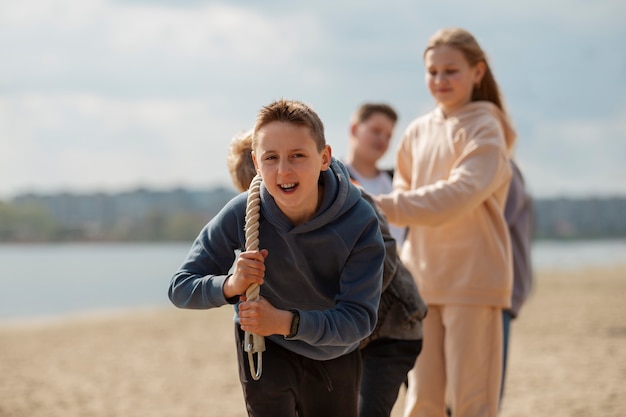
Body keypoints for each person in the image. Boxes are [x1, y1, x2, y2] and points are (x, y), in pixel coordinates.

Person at [169, 98, 385, 417]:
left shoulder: (359, 220)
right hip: (265, 346)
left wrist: (285, 321)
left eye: (298, 155)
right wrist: (231, 284)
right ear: (257, 163)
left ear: (324, 157)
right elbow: (180, 288)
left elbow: (359, 319)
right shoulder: (242, 212)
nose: (283, 170)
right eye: (271, 158)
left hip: (332, 353)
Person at [227, 127, 428, 417]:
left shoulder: (345, 199)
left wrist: (330, 303)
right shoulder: (269, 222)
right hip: (340, 339)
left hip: (393, 326)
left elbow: (385, 255)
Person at [372, 27, 517, 417]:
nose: (439, 80)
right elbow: (405, 210)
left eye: (450, 70)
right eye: (432, 72)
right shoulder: (417, 131)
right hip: (420, 284)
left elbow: (456, 196)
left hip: (475, 283)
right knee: (422, 403)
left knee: (473, 403)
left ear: (477, 72)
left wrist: (378, 204)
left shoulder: (488, 128)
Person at [343, 103, 406, 245]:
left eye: (388, 136)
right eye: (376, 131)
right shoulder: (335, 180)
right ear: (354, 129)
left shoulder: (397, 179)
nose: (382, 140)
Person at [500, 159, 533, 404]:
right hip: (501, 289)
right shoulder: (506, 166)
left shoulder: (502, 168)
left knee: (484, 392)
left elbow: (491, 223)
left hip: (497, 291)